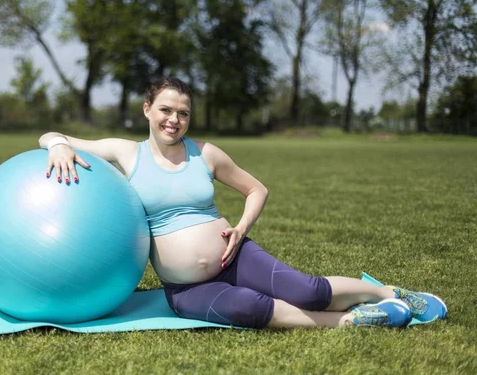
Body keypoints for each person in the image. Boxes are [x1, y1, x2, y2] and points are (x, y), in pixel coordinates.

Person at [38, 77, 447, 329]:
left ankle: (390, 292)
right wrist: (57, 145)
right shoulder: (126, 153)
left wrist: (241, 229)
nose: (173, 120)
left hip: (235, 257)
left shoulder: (207, 154)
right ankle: (350, 322)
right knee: (251, 308)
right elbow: (52, 135)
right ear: (147, 110)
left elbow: (257, 189)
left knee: (306, 290)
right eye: (165, 110)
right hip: (183, 289)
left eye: (183, 113)